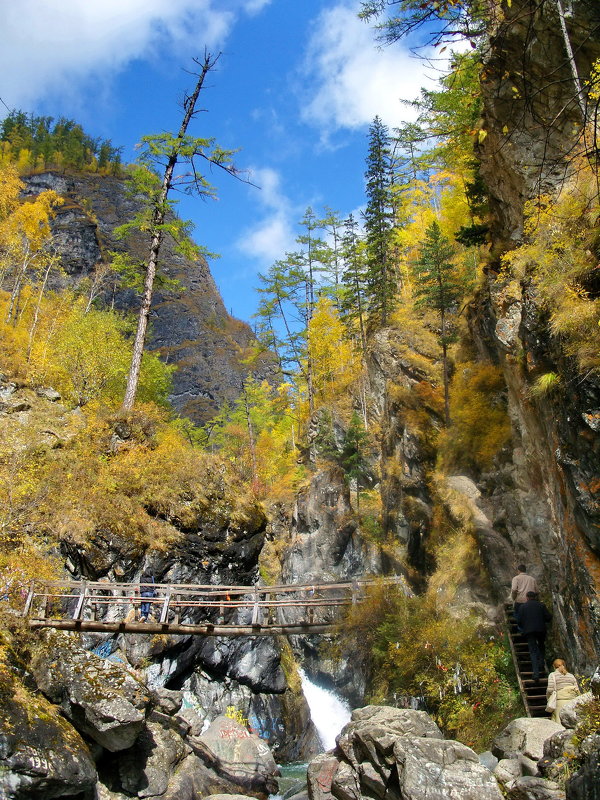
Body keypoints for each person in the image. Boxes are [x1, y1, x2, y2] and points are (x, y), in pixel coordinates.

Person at [516, 591, 552, 681]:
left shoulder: (522, 607)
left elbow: (519, 621)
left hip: (529, 631)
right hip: (541, 630)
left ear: (527, 597)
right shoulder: (541, 605)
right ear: (535, 597)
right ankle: (541, 665)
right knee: (541, 647)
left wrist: (524, 626)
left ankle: (536, 674)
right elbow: (548, 617)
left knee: (533, 651)